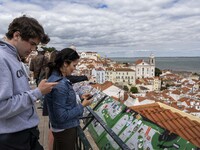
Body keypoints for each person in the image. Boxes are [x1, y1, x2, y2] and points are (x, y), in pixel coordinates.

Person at [0, 15, 58, 150]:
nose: (33, 49)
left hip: (22, 133)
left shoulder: (13, 57)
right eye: (32, 43)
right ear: (16, 35)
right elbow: (2, 107)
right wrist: (37, 92)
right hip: (13, 138)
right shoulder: (2, 59)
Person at [44, 48, 92, 150]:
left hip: (59, 129)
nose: (74, 69)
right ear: (65, 63)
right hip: (65, 130)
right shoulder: (60, 84)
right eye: (74, 65)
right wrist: (82, 105)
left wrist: (80, 97)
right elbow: (61, 116)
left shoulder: (56, 77)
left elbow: (63, 100)